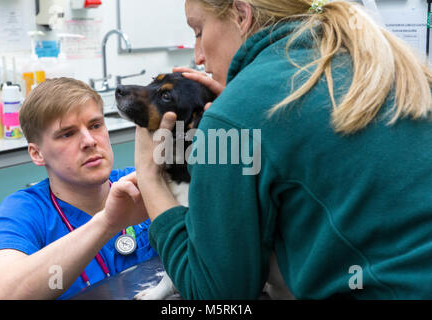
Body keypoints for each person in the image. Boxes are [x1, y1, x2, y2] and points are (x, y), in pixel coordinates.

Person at [132, 0, 432, 299]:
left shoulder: (239, 114)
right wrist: (235, 119)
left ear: (241, 14)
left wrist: (149, 177)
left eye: (198, 31)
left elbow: (215, 297)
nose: (198, 57)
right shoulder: (372, 66)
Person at [0, 78, 156, 300]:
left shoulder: (141, 184)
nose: (89, 141)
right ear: (37, 154)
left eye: (95, 125)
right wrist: (107, 223)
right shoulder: (25, 211)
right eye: (67, 133)